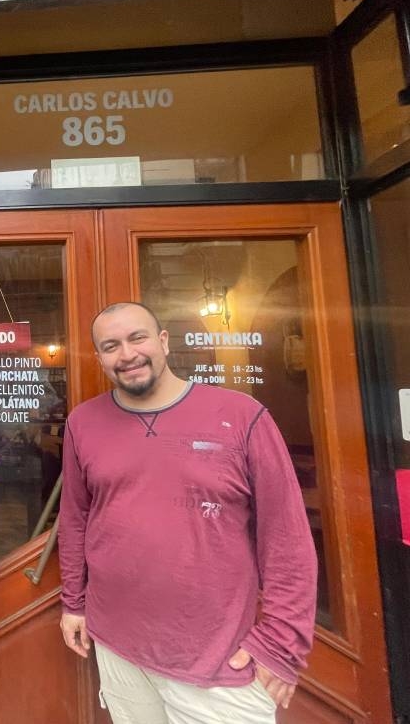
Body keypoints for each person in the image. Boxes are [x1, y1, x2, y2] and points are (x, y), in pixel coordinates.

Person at [57, 301, 317, 723]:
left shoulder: (242, 416)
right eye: (111, 346)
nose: (127, 354)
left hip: (217, 658)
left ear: (162, 341)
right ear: (99, 357)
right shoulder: (83, 423)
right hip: (118, 644)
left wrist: (283, 641)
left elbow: (286, 538)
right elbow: (74, 520)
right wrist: (74, 603)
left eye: (137, 338)